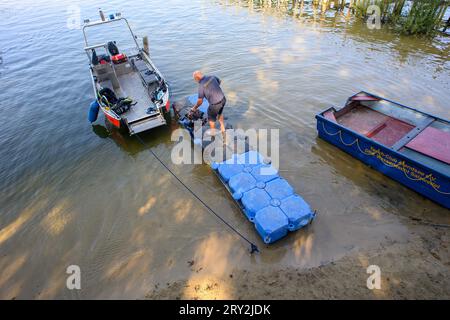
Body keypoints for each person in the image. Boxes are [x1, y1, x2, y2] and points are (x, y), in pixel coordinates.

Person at [191, 70, 226, 135]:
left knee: (211, 118)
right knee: (220, 113)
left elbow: (200, 101)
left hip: (215, 104)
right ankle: (222, 127)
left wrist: (194, 108)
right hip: (223, 99)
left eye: (195, 80)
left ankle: (213, 132)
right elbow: (219, 81)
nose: (196, 81)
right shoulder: (212, 77)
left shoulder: (201, 86)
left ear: (197, 78)